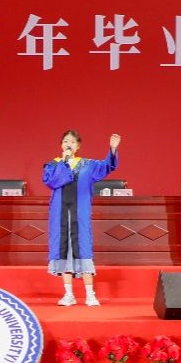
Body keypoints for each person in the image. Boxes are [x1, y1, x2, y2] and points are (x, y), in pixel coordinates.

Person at [43, 129, 121, 306]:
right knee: (63, 249)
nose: (68, 144)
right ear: (61, 145)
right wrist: (64, 162)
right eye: (65, 141)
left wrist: (113, 149)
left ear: (78, 146)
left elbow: (107, 166)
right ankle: (68, 294)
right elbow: (52, 182)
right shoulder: (52, 165)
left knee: (83, 248)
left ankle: (90, 294)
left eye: (72, 141)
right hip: (60, 213)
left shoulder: (88, 165)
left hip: (80, 213)